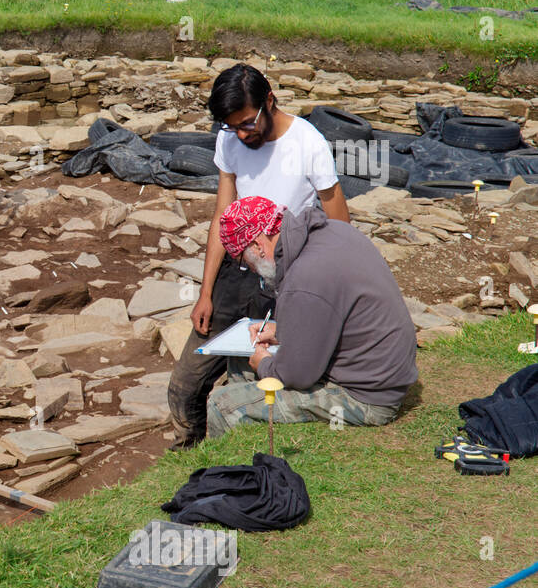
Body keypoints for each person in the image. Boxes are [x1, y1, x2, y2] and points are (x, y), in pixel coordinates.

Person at [167, 62, 350, 448]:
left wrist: (334, 293)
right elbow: (223, 216)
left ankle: (250, 456)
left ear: (269, 101)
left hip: (286, 281)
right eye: (231, 126)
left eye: (248, 123)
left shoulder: (308, 143)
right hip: (236, 277)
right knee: (185, 384)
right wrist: (206, 292)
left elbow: (338, 224)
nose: (240, 134)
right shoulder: (229, 140)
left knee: (257, 380)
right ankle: (188, 454)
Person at [204, 196, 418, 437]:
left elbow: (296, 376)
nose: (251, 271)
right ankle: (256, 440)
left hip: (367, 397)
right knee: (241, 360)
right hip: (379, 370)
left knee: (221, 405)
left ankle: (230, 471)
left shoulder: (304, 279)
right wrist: (284, 330)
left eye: (245, 262)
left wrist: (264, 364)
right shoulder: (334, 231)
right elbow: (330, 313)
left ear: (257, 246)